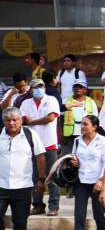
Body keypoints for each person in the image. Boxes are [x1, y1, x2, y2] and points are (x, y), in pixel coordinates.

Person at [0, 107, 46, 230]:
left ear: (20, 120)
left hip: (23, 185)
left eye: (15, 120)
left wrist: (41, 179)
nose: (12, 123)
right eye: (8, 120)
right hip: (1, 184)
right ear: (3, 121)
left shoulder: (30, 135)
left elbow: (40, 157)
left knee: (20, 221)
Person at [70, 115, 105, 230]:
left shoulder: (103, 141)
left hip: (97, 183)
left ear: (94, 126)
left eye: (85, 124)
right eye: (82, 124)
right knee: (79, 216)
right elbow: (74, 158)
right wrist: (74, 162)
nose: (82, 126)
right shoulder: (77, 141)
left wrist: (101, 180)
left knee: (99, 216)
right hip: (81, 181)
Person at [20, 79, 60, 216]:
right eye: (36, 87)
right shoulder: (26, 103)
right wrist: (29, 122)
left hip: (49, 143)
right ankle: (37, 205)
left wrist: (33, 121)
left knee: (51, 175)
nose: (39, 89)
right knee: (34, 176)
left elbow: (50, 118)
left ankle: (53, 206)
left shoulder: (52, 100)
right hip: (31, 143)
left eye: (41, 86)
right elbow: (23, 119)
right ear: (30, 89)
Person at [61, 79, 99, 155]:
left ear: (85, 90)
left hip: (85, 135)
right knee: (68, 158)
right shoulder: (66, 101)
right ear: (72, 88)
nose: (77, 89)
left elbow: (95, 120)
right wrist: (62, 135)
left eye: (80, 87)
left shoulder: (91, 102)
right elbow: (61, 119)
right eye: (75, 87)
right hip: (69, 136)